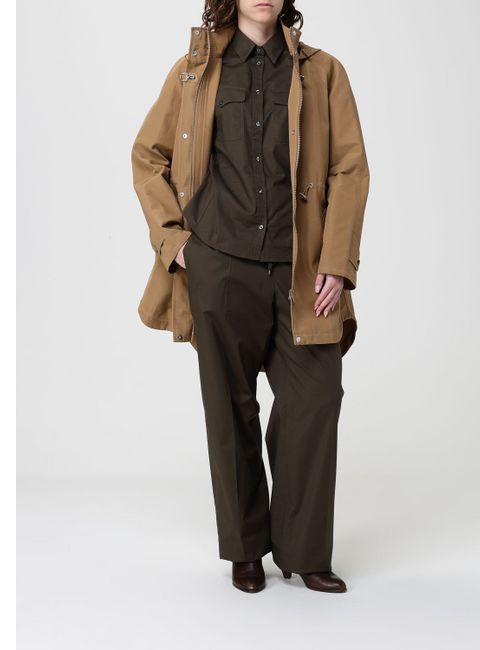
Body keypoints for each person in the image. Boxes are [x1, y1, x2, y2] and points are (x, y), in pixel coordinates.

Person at [131, 0, 369, 594]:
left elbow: (349, 169)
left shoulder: (325, 72)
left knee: (315, 400)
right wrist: (176, 243)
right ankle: (244, 549)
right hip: (220, 267)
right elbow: (148, 156)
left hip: (302, 273)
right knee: (229, 408)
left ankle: (304, 551)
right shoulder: (195, 71)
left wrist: (337, 263)